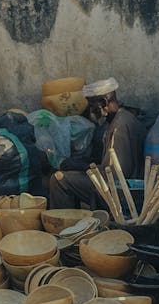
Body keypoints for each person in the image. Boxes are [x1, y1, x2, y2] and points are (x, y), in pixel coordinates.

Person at [49, 78, 145, 209]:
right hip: (115, 182)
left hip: (122, 191)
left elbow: (115, 174)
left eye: (92, 105)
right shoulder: (117, 120)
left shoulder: (120, 127)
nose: (90, 110)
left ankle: (66, 225)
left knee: (59, 180)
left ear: (104, 103)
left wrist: (81, 165)